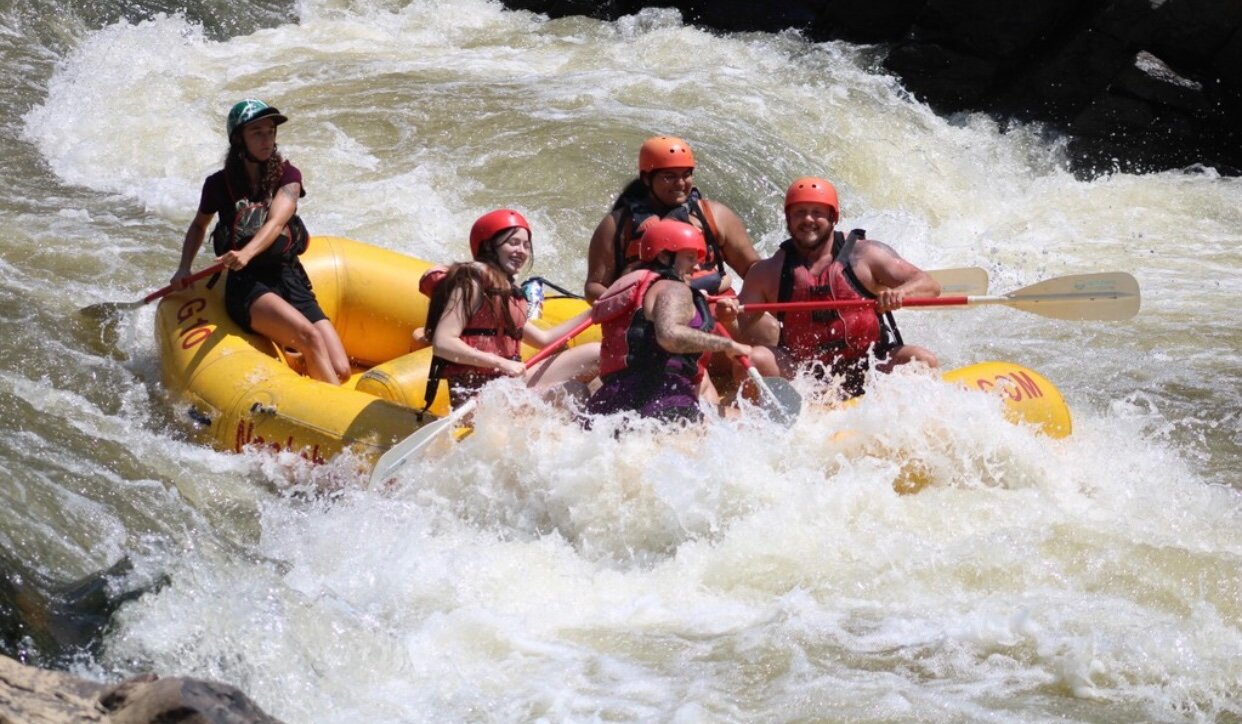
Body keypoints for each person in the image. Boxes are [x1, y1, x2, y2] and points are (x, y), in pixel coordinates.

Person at [172, 99, 350, 384]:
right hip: (248, 284)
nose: (266, 139)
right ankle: (335, 407)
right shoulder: (218, 184)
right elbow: (198, 225)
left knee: (342, 369)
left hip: (288, 276)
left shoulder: (288, 176)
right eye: (257, 132)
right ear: (239, 139)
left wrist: (247, 252)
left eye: (270, 131)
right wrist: (184, 268)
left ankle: (301, 362)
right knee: (310, 337)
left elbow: (276, 222)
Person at [737, 177, 940, 398]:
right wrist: (730, 311)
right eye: (799, 213)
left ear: (834, 217)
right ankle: (762, 418)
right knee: (752, 359)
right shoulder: (767, 272)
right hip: (804, 374)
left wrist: (900, 293)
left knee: (922, 360)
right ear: (788, 218)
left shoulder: (866, 255)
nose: (808, 219)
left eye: (817, 212)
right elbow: (745, 325)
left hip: (871, 363)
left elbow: (929, 285)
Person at [421, 209, 599, 409]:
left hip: (507, 386)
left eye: (526, 245)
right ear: (489, 246)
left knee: (596, 354)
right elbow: (443, 342)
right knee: (574, 391)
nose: (522, 251)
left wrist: (594, 312)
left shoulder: (506, 294)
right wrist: (500, 363)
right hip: (477, 401)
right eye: (513, 243)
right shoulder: (471, 283)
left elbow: (545, 340)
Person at [585, 219, 750, 423]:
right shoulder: (673, 288)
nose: (697, 266)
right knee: (753, 424)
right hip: (662, 400)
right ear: (664, 256)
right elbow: (669, 335)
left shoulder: (627, 285)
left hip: (609, 403)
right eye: (690, 258)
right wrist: (727, 345)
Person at [583, 136, 759, 302]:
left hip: (712, 303)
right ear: (646, 179)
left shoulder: (716, 215)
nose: (681, 183)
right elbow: (595, 286)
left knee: (768, 329)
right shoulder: (617, 224)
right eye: (670, 177)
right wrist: (632, 302)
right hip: (645, 310)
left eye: (686, 174)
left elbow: (753, 270)